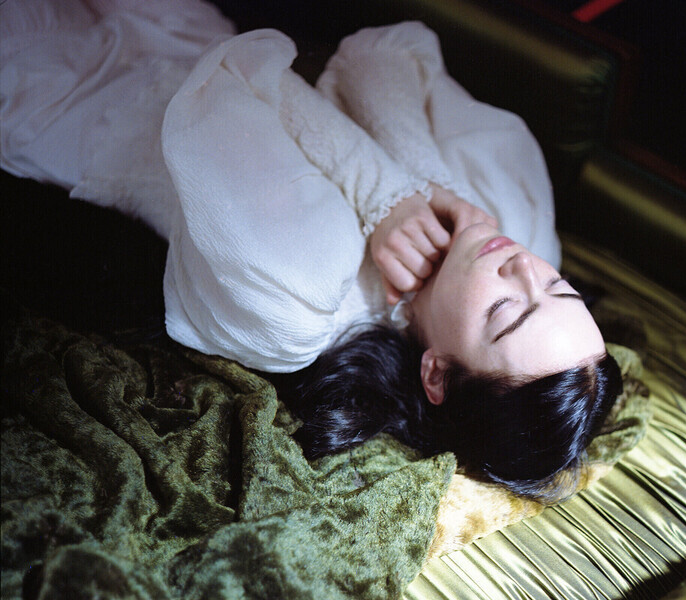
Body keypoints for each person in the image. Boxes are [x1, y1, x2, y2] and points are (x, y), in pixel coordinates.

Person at [0, 0, 621, 501]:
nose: (522, 266)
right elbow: (379, 54)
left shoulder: (304, 295)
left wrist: (383, 195)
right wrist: (426, 183)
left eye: (508, 310)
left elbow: (232, 79)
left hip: (71, 92)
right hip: (181, 24)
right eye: (558, 287)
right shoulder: (510, 223)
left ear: (435, 373)